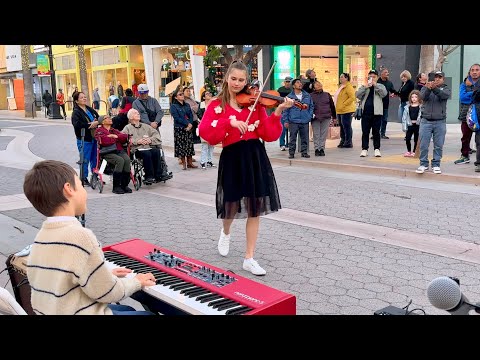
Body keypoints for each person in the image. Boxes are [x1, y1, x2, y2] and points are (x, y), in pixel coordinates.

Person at [23, 160, 156, 315]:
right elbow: (109, 293)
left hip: (56, 309)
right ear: (69, 189)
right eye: (80, 185)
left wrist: (105, 276)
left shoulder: (43, 235)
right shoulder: (81, 237)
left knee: (126, 309)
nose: (85, 192)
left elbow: (62, 278)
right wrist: (136, 282)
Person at [199, 60, 294, 276]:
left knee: (255, 207)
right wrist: (228, 123)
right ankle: (226, 231)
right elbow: (207, 133)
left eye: (242, 80)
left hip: (254, 155)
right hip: (232, 157)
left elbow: (269, 134)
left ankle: (249, 257)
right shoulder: (216, 105)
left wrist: (278, 111)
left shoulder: (256, 103)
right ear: (226, 78)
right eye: (234, 78)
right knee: (231, 204)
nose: (237, 83)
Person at [122, 108, 172, 183]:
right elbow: (123, 139)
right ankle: (149, 176)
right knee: (147, 153)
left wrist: (150, 140)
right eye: (135, 113)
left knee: (156, 151)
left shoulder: (145, 126)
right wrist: (137, 141)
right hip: (136, 150)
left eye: (138, 113)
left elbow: (156, 134)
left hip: (148, 147)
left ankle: (159, 175)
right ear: (131, 117)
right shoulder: (127, 128)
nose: (138, 114)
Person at [416, 71, 451, 174]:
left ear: (443, 79)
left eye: (440, 77)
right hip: (425, 121)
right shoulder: (425, 87)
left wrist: (434, 88)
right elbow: (422, 97)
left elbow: (444, 96)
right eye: (435, 77)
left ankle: (436, 164)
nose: (437, 79)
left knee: (438, 145)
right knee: (423, 144)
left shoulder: (446, 88)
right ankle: (423, 164)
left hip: (440, 122)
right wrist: (428, 88)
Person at [94, 115, 132, 194]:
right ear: (103, 121)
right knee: (120, 161)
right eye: (107, 118)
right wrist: (115, 138)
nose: (110, 119)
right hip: (107, 151)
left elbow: (124, 137)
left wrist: (115, 136)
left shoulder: (114, 130)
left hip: (118, 150)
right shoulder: (99, 130)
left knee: (127, 160)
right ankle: (116, 186)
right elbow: (103, 141)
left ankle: (124, 185)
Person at [356, 69, 388, 158]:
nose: (372, 78)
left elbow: (384, 94)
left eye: (374, 77)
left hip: (377, 113)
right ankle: (364, 149)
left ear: (377, 77)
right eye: (370, 77)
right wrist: (366, 87)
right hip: (365, 113)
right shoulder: (364, 86)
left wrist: (375, 85)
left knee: (376, 132)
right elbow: (357, 95)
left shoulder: (381, 86)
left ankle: (377, 149)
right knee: (365, 132)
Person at [71, 92, 99, 186]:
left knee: (95, 158)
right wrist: (90, 125)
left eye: (85, 96)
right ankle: (84, 178)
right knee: (85, 158)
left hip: (94, 137)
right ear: (76, 100)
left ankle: (95, 176)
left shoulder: (89, 109)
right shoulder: (76, 112)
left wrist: (97, 122)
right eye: (82, 97)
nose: (84, 98)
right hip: (84, 138)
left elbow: (98, 117)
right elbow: (77, 125)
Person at [454, 64, 480, 165]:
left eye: (477, 70)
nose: (474, 72)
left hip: (479, 114)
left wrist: (471, 94)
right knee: (465, 137)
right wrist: (476, 93)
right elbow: (463, 98)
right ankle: (465, 156)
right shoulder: (464, 84)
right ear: (469, 72)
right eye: (472, 70)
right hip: (466, 114)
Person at [282, 78, 314, 159]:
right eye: (297, 82)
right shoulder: (289, 97)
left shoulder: (307, 95)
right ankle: (291, 153)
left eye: (301, 82)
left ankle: (304, 152)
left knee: (305, 137)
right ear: (293, 85)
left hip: (304, 119)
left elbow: (311, 106)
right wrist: (286, 120)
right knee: (292, 137)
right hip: (293, 120)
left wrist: (309, 116)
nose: (300, 84)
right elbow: (285, 109)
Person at [170, 88, 197, 170]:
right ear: (175, 97)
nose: (182, 96)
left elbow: (191, 115)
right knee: (181, 146)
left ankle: (190, 162)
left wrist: (191, 124)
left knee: (189, 145)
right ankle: (183, 162)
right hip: (180, 128)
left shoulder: (187, 105)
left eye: (182, 94)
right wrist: (187, 124)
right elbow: (177, 118)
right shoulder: (173, 106)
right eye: (180, 94)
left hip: (189, 127)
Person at [310, 81, 336, 156]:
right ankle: (316, 149)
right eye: (316, 84)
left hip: (326, 116)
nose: (319, 85)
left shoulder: (327, 94)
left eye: (320, 84)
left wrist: (334, 117)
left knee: (323, 134)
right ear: (313, 87)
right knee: (316, 133)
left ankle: (321, 148)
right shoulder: (311, 95)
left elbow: (332, 106)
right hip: (315, 117)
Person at [334, 73, 356, 148]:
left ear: (346, 78)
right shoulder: (341, 86)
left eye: (342, 77)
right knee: (341, 126)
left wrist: (344, 104)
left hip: (347, 110)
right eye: (340, 77)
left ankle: (348, 142)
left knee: (346, 126)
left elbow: (352, 97)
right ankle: (343, 140)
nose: (340, 78)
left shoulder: (348, 87)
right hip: (339, 110)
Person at [376, 68, 397, 139]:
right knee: (376, 119)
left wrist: (393, 94)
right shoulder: (377, 82)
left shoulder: (389, 83)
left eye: (387, 72)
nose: (387, 74)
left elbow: (393, 91)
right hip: (377, 104)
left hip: (385, 104)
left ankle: (382, 133)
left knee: (384, 119)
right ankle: (376, 133)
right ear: (381, 74)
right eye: (385, 72)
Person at [401, 90, 422, 157]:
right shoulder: (407, 107)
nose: (414, 98)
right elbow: (404, 118)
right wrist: (404, 126)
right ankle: (408, 151)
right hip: (410, 125)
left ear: (419, 98)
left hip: (417, 125)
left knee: (416, 139)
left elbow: (421, 116)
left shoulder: (421, 107)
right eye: (412, 97)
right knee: (407, 138)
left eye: (416, 97)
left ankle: (414, 151)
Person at [198, 90, 216, 169]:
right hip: (204, 126)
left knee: (211, 144)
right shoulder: (202, 105)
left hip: (212, 126)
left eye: (210, 93)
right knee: (204, 144)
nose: (209, 95)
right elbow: (199, 114)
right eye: (207, 94)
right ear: (204, 97)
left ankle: (210, 160)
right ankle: (203, 161)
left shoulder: (214, 104)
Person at [277, 76, 293, 150]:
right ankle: (282, 144)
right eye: (286, 81)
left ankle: (289, 143)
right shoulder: (280, 89)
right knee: (282, 128)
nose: (287, 83)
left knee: (291, 129)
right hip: (283, 110)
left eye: (289, 82)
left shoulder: (293, 90)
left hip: (292, 110)